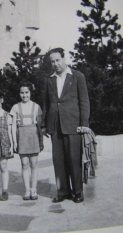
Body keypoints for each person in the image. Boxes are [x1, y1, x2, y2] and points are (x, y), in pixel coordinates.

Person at [41, 48, 90, 203]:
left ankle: (78, 192)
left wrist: (84, 124)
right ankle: (63, 192)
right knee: (59, 160)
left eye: (57, 60)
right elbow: (46, 104)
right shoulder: (49, 79)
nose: (55, 64)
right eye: (52, 62)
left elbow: (84, 101)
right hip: (55, 125)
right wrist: (44, 125)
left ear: (64, 59)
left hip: (73, 125)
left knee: (74, 159)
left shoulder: (77, 77)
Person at [10, 81, 43, 200]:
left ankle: (34, 189)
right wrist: (14, 142)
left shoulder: (36, 106)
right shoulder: (15, 107)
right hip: (22, 136)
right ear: (19, 94)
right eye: (22, 93)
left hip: (33, 135)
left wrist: (41, 140)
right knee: (24, 164)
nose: (24, 95)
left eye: (27, 92)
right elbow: (13, 126)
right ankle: (27, 190)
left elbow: (39, 126)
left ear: (30, 93)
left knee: (34, 163)